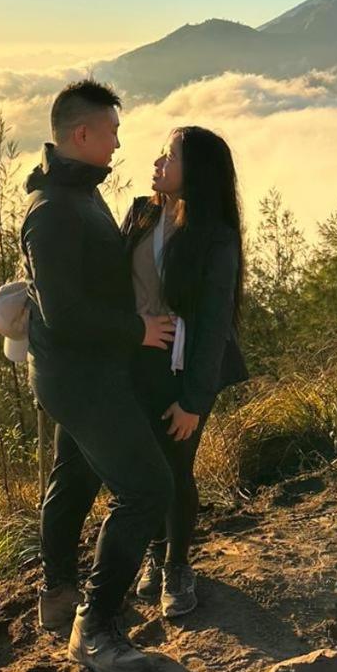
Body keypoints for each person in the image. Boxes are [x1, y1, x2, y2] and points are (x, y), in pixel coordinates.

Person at [22, 79, 177, 672]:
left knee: (76, 478)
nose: (118, 142)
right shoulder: (55, 212)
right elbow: (65, 313)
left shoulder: (76, 193)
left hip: (75, 372)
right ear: (81, 134)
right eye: (111, 131)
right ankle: (96, 627)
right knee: (147, 488)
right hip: (81, 378)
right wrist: (137, 330)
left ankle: (58, 596)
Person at [122, 126, 247, 618]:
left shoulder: (215, 236)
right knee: (144, 466)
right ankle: (155, 554)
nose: (159, 162)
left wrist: (194, 399)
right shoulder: (141, 212)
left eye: (170, 156)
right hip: (137, 360)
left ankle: (176, 565)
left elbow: (215, 324)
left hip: (186, 365)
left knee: (175, 467)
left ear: (196, 171)